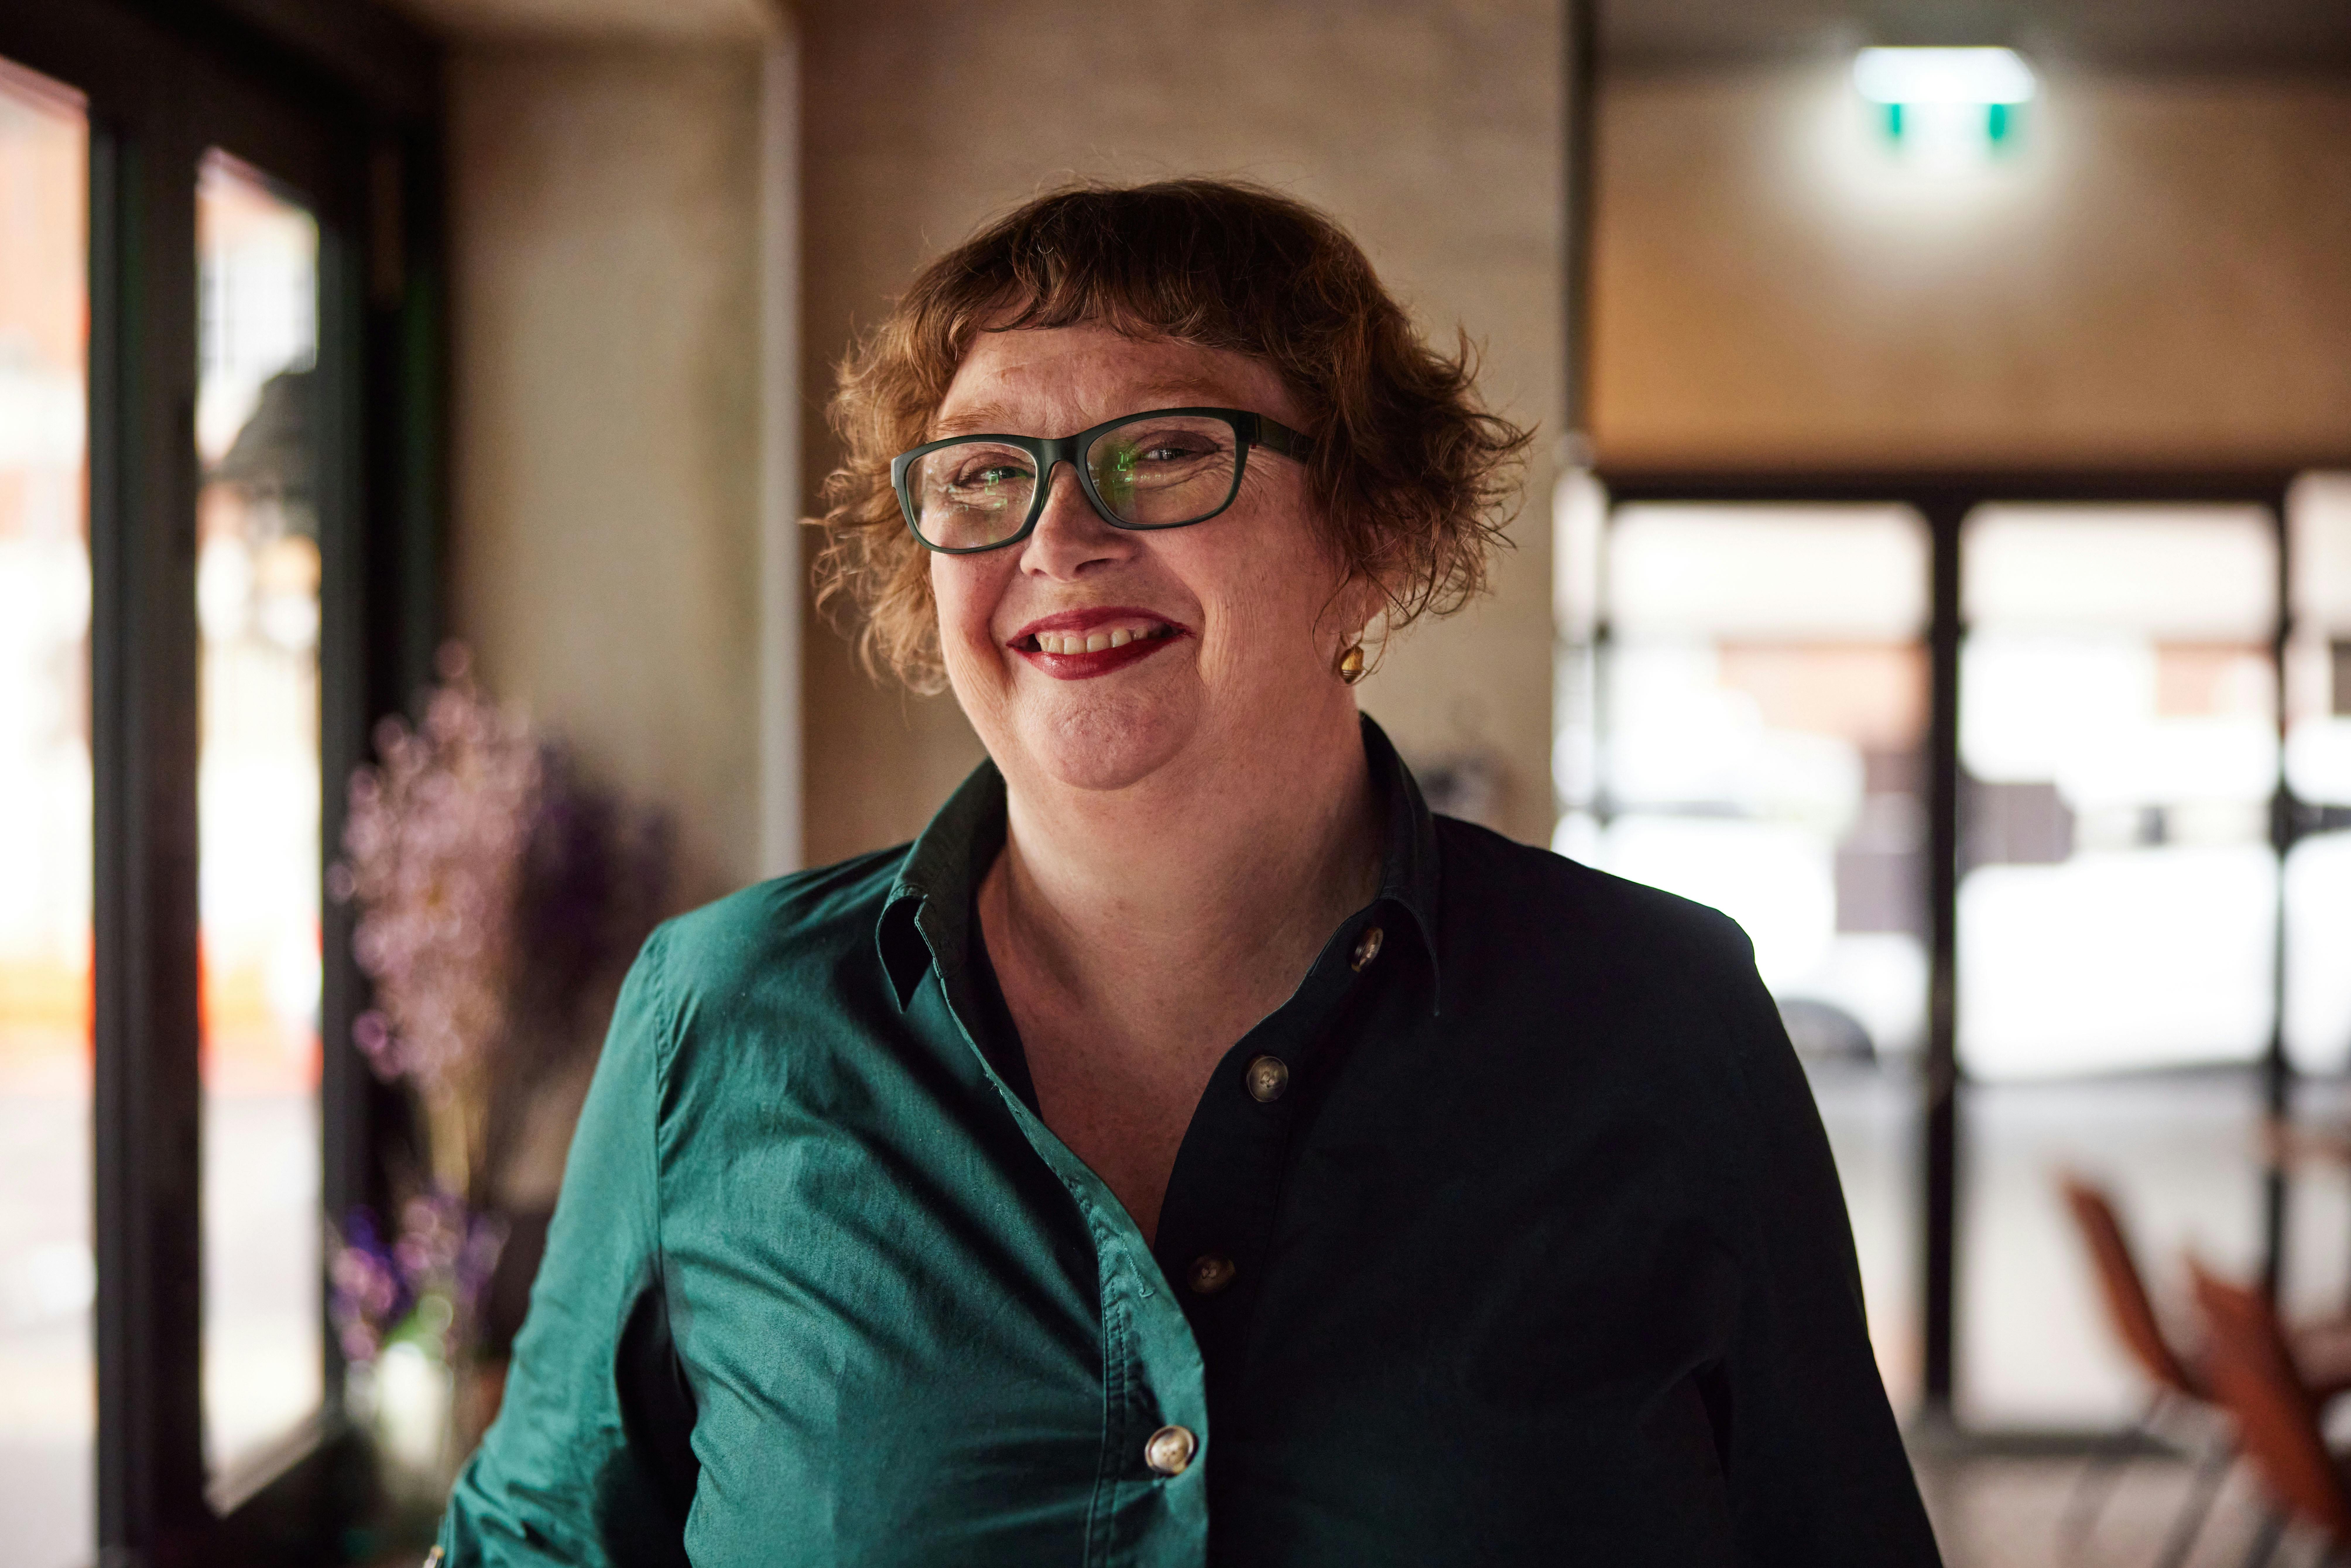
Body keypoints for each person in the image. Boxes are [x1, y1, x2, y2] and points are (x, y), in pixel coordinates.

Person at [435, 179, 1941, 1567]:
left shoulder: (1660, 1019)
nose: (1061, 535)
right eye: (983, 474)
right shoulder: (724, 1018)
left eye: (1163, 455)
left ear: (1373, 532)